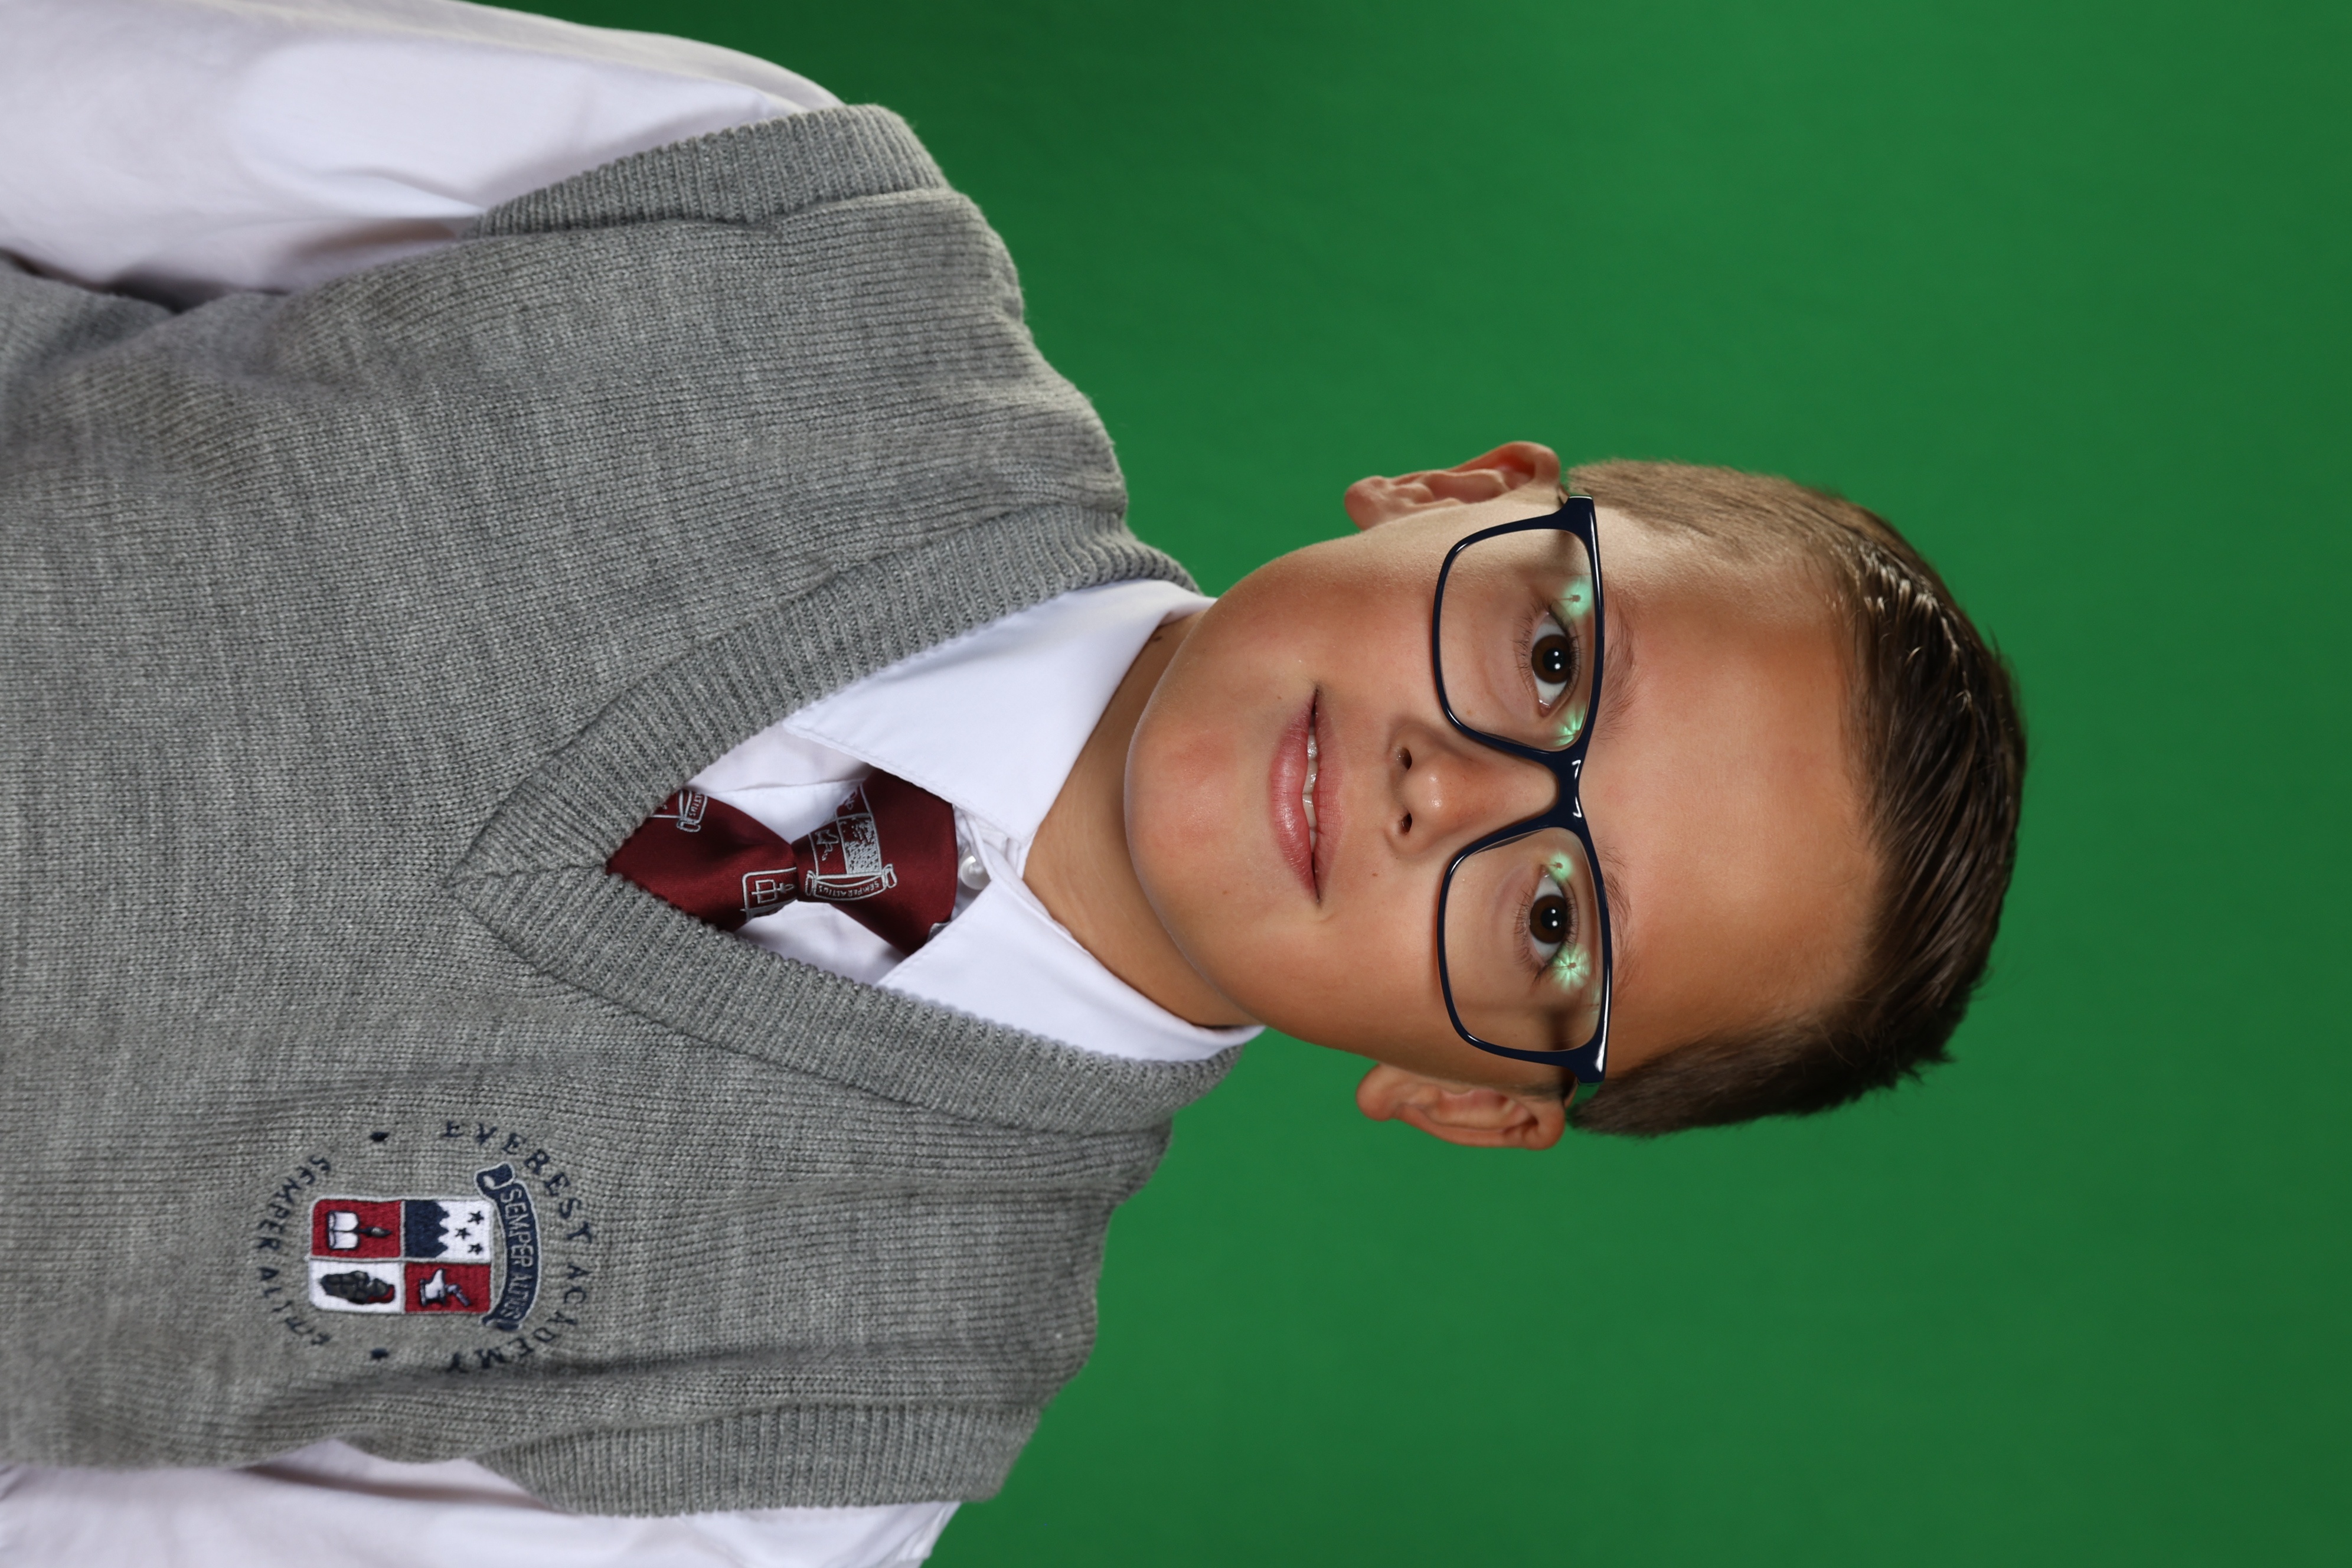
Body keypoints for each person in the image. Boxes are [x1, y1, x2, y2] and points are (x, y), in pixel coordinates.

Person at [0, 1, 2025, 1564]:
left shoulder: (806, 1445)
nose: (1455, 788)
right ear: (1460, 493)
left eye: (1555, 916)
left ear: (1472, 1095)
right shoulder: (777, 236)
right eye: (1555, 663)